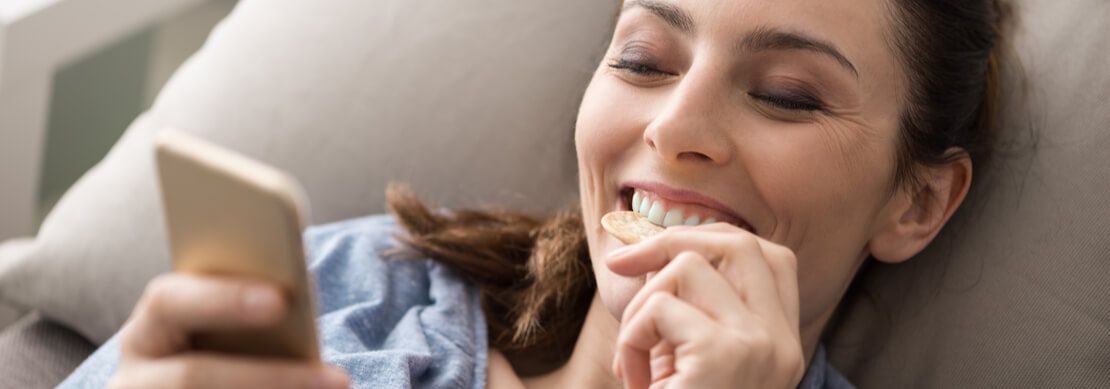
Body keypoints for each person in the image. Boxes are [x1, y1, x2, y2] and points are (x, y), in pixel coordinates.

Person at [63, 0, 1009, 387]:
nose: (675, 127)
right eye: (643, 60)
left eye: (786, 97)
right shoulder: (353, 293)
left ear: (917, 201)